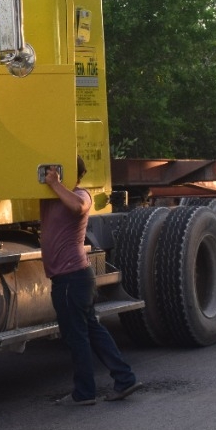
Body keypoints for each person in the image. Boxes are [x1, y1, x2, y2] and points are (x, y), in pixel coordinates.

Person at [41, 157, 142, 406]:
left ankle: (84, 393)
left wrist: (55, 184)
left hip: (71, 278)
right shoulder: (53, 197)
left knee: (76, 336)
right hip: (72, 278)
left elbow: (78, 207)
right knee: (93, 331)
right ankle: (125, 378)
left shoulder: (80, 194)